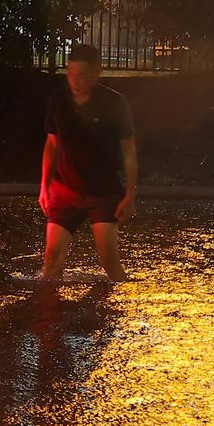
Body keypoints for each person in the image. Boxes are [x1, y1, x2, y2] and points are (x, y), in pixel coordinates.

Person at [39, 43, 137, 282]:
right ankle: (50, 314)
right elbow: (51, 144)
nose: (75, 82)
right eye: (70, 74)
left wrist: (130, 195)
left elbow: (129, 150)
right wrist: (44, 186)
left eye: (82, 75)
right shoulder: (58, 100)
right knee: (52, 260)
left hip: (103, 191)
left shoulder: (114, 103)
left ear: (97, 73)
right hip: (64, 190)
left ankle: (117, 309)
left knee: (109, 261)